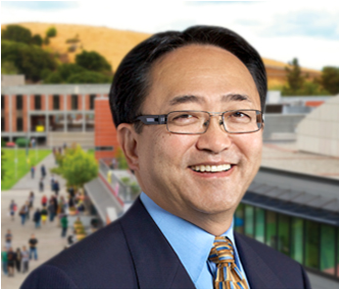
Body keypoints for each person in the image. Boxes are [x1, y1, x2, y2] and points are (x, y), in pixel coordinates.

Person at [21, 26, 310, 289]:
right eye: (185, 116)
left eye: (238, 114)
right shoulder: (69, 282)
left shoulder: (289, 276)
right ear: (132, 145)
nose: (217, 142)